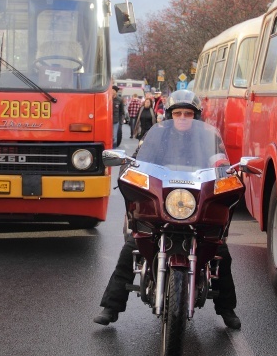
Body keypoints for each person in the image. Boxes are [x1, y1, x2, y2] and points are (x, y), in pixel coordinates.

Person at [93, 89, 242, 330]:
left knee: (220, 252)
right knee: (132, 245)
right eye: (178, 113)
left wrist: (227, 170)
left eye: (188, 113)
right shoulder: (157, 136)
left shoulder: (208, 139)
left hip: (194, 203)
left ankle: (227, 309)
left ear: (196, 116)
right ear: (170, 114)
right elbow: (139, 159)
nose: (183, 117)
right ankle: (111, 306)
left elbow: (220, 161)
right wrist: (129, 167)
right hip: (163, 202)